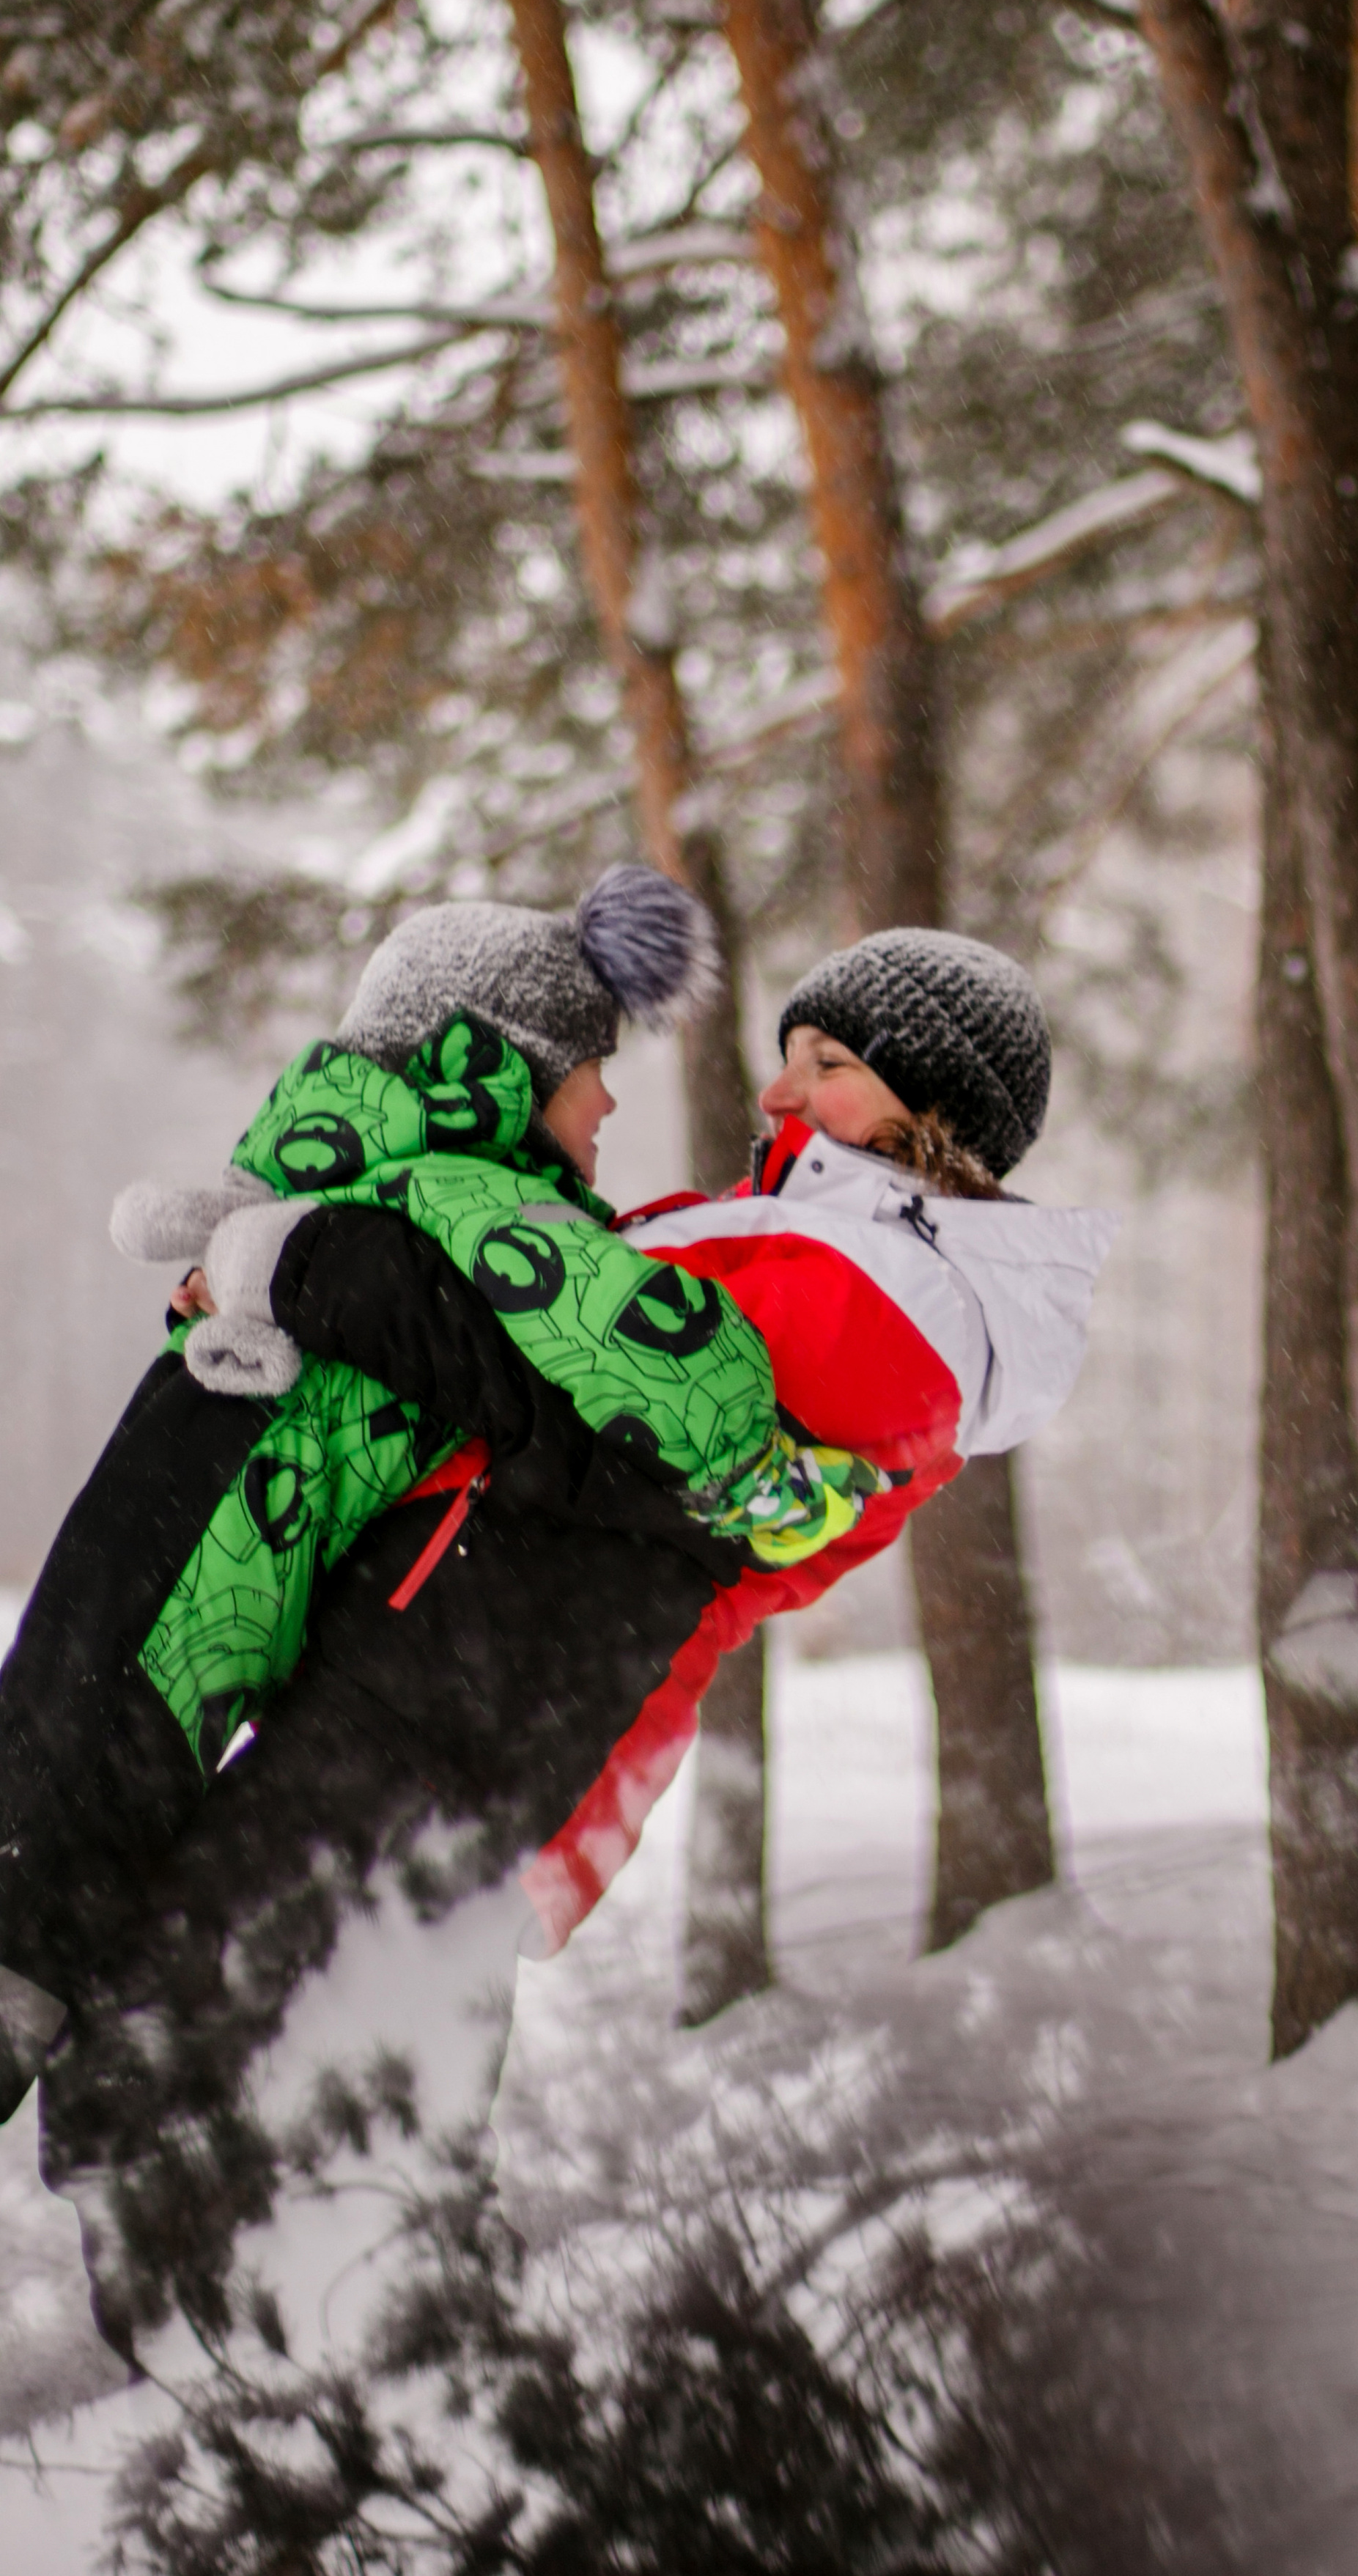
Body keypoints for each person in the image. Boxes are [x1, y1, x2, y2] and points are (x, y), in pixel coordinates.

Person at [12, 913, 1115, 2352]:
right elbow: (536, 1326)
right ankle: (321, 2412)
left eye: (828, 1065)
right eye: (787, 1057)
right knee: (256, 2060)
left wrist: (313, 1267)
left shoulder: (881, 1301)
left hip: (488, 1717)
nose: (778, 1097)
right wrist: (290, 1284)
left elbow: (585, 1402)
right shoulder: (803, 1240)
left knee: (221, 2059)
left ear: (938, 1115)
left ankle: (314, 2414)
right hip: (439, 1679)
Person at [0, 866, 871, 2118]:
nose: (611, 1094)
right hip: (150, 1700)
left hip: (93, 1693)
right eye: (588, 1063)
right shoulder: (467, 1195)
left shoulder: (326, 1189)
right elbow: (687, 1380)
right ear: (495, 1071)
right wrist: (778, 1483)